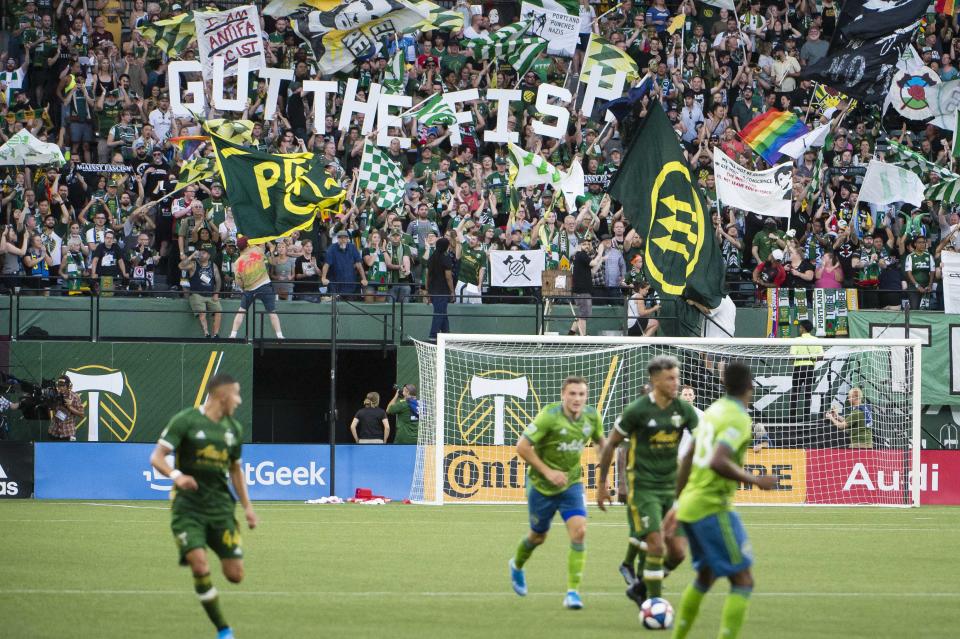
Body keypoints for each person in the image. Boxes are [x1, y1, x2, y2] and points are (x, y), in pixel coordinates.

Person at [670, 362, 778, 639]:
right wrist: (757, 480)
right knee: (743, 580)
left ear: (724, 385)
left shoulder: (713, 411)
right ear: (750, 386)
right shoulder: (738, 418)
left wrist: (677, 502)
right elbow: (719, 460)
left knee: (705, 576)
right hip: (712, 506)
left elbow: (688, 455)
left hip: (692, 503)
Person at [149, 374, 257, 639]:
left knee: (235, 575)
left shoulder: (234, 429)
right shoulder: (186, 420)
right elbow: (157, 457)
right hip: (188, 508)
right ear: (222, 396)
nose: (239, 401)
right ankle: (223, 629)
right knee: (199, 565)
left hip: (220, 508)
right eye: (237, 394)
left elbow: (235, 471)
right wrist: (177, 476)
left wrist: (248, 508)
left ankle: (223, 540)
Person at [596, 356, 699, 608]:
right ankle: (654, 603)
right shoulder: (637, 410)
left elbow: (703, 443)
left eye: (677, 377)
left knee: (678, 553)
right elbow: (611, 445)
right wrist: (601, 483)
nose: (676, 383)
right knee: (654, 543)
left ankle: (642, 586)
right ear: (655, 380)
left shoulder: (683, 410)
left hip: (672, 488)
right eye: (670, 378)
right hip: (643, 488)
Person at [509, 376, 605, 610]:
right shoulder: (549, 416)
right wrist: (548, 472)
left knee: (580, 532)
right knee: (538, 536)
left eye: (581, 394)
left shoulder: (592, 416)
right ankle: (517, 565)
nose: (577, 399)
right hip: (541, 485)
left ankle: (573, 592)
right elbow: (522, 447)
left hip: (571, 484)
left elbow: (601, 444)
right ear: (563, 394)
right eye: (572, 394)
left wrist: (603, 481)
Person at [228, 237, 283, 340]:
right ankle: (279, 336)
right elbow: (271, 258)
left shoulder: (238, 262)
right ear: (248, 244)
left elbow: (238, 281)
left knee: (241, 311)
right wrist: (271, 249)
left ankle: (232, 335)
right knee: (272, 312)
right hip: (265, 285)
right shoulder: (257, 250)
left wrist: (244, 287)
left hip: (249, 289)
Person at [789, 319, 822, 442]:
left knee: (795, 394)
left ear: (802, 328)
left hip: (798, 368)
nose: (799, 329)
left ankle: (792, 421)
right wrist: (811, 357)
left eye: (800, 327)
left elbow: (792, 357)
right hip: (810, 368)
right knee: (808, 394)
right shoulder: (816, 340)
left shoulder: (797, 340)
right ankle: (806, 420)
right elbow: (821, 356)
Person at [180, 247, 222, 339]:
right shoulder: (194, 264)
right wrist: (192, 256)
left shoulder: (213, 265)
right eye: (200, 252)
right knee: (202, 313)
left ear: (209, 256)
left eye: (204, 253)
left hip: (211, 294)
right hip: (197, 294)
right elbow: (181, 266)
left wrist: (216, 293)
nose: (201, 254)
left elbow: (218, 280)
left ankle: (216, 334)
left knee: (218, 310)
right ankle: (206, 333)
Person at [568, 238, 602, 336]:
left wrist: (601, 259)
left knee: (583, 313)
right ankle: (583, 336)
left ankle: (571, 333)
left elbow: (592, 271)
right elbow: (593, 263)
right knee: (584, 313)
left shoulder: (580, 256)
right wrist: (599, 254)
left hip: (583, 289)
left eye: (588, 244)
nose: (586, 246)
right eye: (584, 244)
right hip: (582, 289)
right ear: (579, 245)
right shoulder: (581, 254)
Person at [321, 230, 367, 299]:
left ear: (347, 239)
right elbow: (326, 264)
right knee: (335, 307)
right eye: (341, 238)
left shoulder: (352, 247)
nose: (343, 240)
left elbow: (359, 264)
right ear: (337, 239)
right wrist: (323, 278)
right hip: (336, 285)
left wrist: (364, 279)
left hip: (350, 284)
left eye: (345, 238)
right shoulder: (332, 248)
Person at [425, 237, 454, 340]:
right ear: (446, 246)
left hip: (433, 290)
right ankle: (433, 335)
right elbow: (448, 277)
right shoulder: (446, 258)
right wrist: (452, 291)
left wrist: (427, 290)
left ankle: (446, 334)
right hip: (443, 291)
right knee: (439, 313)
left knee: (442, 313)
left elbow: (427, 275)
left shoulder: (432, 257)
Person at [47, 375, 84, 441]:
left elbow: (81, 414)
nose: (61, 388)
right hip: (53, 431)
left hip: (68, 432)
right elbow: (50, 410)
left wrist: (70, 407)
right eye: (59, 385)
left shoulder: (75, 397)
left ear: (68, 386)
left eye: (63, 386)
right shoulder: (54, 395)